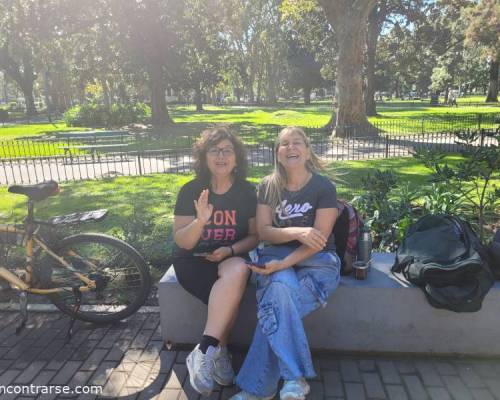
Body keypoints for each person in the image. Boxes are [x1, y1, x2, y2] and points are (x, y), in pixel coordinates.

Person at [231, 127, 341, 400]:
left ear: (307, 149)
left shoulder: (323, 187)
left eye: (297, 142)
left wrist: (284, 264)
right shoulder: (269, 186)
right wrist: (296, 232)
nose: (291, 147)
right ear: (278, 154)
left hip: (318, 263)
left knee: (274, 306)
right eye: (284, 144)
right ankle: (294, 378)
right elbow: (265, 231)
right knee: (279, 295)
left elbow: (318, 240)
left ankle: (258, 389)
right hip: (276, 258)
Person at [172, 126, 258, 396]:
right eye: (214, 150)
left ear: (236, 158)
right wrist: (201, 221)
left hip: (230, 258)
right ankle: (220, 352)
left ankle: (206, 350)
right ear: (204, 156)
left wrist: (230, 250)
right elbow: (183, 242)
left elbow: (255, 236)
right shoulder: (191, 191)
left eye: (227, 150)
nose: (221, 156)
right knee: (229, 295)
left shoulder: (246, 192)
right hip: (192, 263)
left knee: (238, 270)